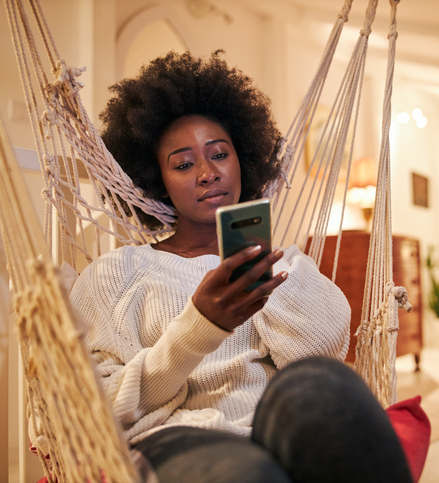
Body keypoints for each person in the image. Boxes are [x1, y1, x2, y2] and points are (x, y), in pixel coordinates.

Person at [70, 51, 414, 482]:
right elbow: (97, 406)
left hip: (278, 424)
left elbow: (323, 355)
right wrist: (199, 327)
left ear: (242, 161)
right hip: (178, 438)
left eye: (219, 154)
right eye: (183, 163)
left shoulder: (285, 263)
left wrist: (263, 279)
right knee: (250, 475)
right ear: (156, 179)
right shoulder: (116, 273)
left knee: (325, 386)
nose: (207, 172)